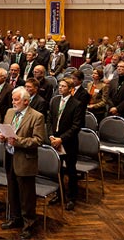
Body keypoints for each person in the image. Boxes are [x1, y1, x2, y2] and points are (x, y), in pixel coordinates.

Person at [0, 86, 45, 240]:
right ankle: (15, 218)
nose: (13, 102)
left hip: (25, 160)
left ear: (26, 101)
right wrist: (2, 137)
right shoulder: (9, 112)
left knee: (26, 197)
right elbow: (6, 131)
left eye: (16, 100)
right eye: (13, 99)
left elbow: (38, 140)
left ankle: (28, 225)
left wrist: (18, 141)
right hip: (9, 157)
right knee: (12, 191)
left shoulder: (37, 116)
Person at [46, 78, 84, 211]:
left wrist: (61, 139)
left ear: (70, 89)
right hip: (54, 139)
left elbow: (76, 126)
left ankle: (72, 197)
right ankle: (59, 193)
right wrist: (51, 136)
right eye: (60, 86)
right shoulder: (55, 100)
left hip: (69, 142)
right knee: (57, 169)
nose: (60, 88)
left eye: (63, 86)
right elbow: (49, 119)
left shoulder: (77, 104)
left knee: (71, 170)